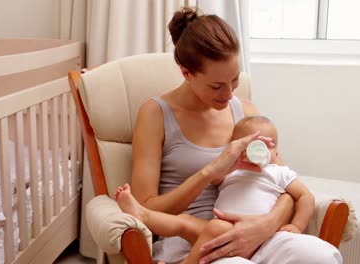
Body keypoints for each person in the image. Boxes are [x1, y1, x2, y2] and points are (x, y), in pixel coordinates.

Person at [129, 7, 342, 264]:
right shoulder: (155, 114)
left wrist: (265, 225)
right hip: (195, 244)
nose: (229, 94)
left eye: (235, 80)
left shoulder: (246, 111)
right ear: (186, 72)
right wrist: (210, 171)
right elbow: (145, 209)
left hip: (259, 235)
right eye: (216, 86)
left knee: (322, 256)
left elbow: (284, 183)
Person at [117, 115, 321, 263]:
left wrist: (297, 226)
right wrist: (230, 162)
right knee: (185, 223)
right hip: (221, 230)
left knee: (216, 227)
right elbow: (213, 179)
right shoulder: (233, 172)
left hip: (261, 236)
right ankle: (143, 215)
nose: (262, 150)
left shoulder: (278, 172)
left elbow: (305, 196)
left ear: (277, 151)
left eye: (270, 145)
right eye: (254, 145)